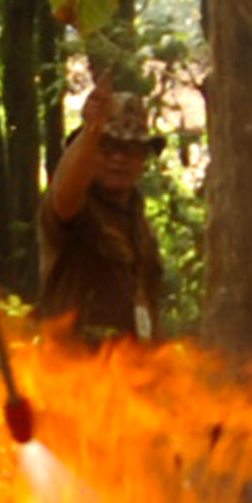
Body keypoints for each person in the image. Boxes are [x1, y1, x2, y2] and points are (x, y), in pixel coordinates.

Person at [36, 89, 166, 345]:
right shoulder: (77, 210)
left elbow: (150, 304)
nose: (118, 158)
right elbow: (63, 197)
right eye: (107, 147)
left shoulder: (141, 228)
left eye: (131, 150)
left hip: (131, 363)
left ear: (143, 157)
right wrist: (91, 131)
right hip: (73, 364)